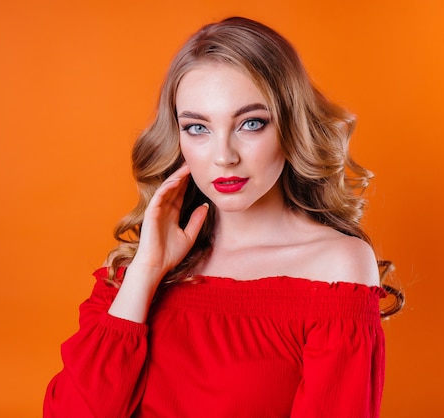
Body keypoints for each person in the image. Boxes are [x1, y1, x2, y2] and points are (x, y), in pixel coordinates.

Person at [44, 16, 403, 418]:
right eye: (198, 127)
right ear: (177, 138)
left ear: (291, 125)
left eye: (251, 123)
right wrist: (146, 271)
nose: (224, 156)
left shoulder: (336, 266)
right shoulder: (137, 268)